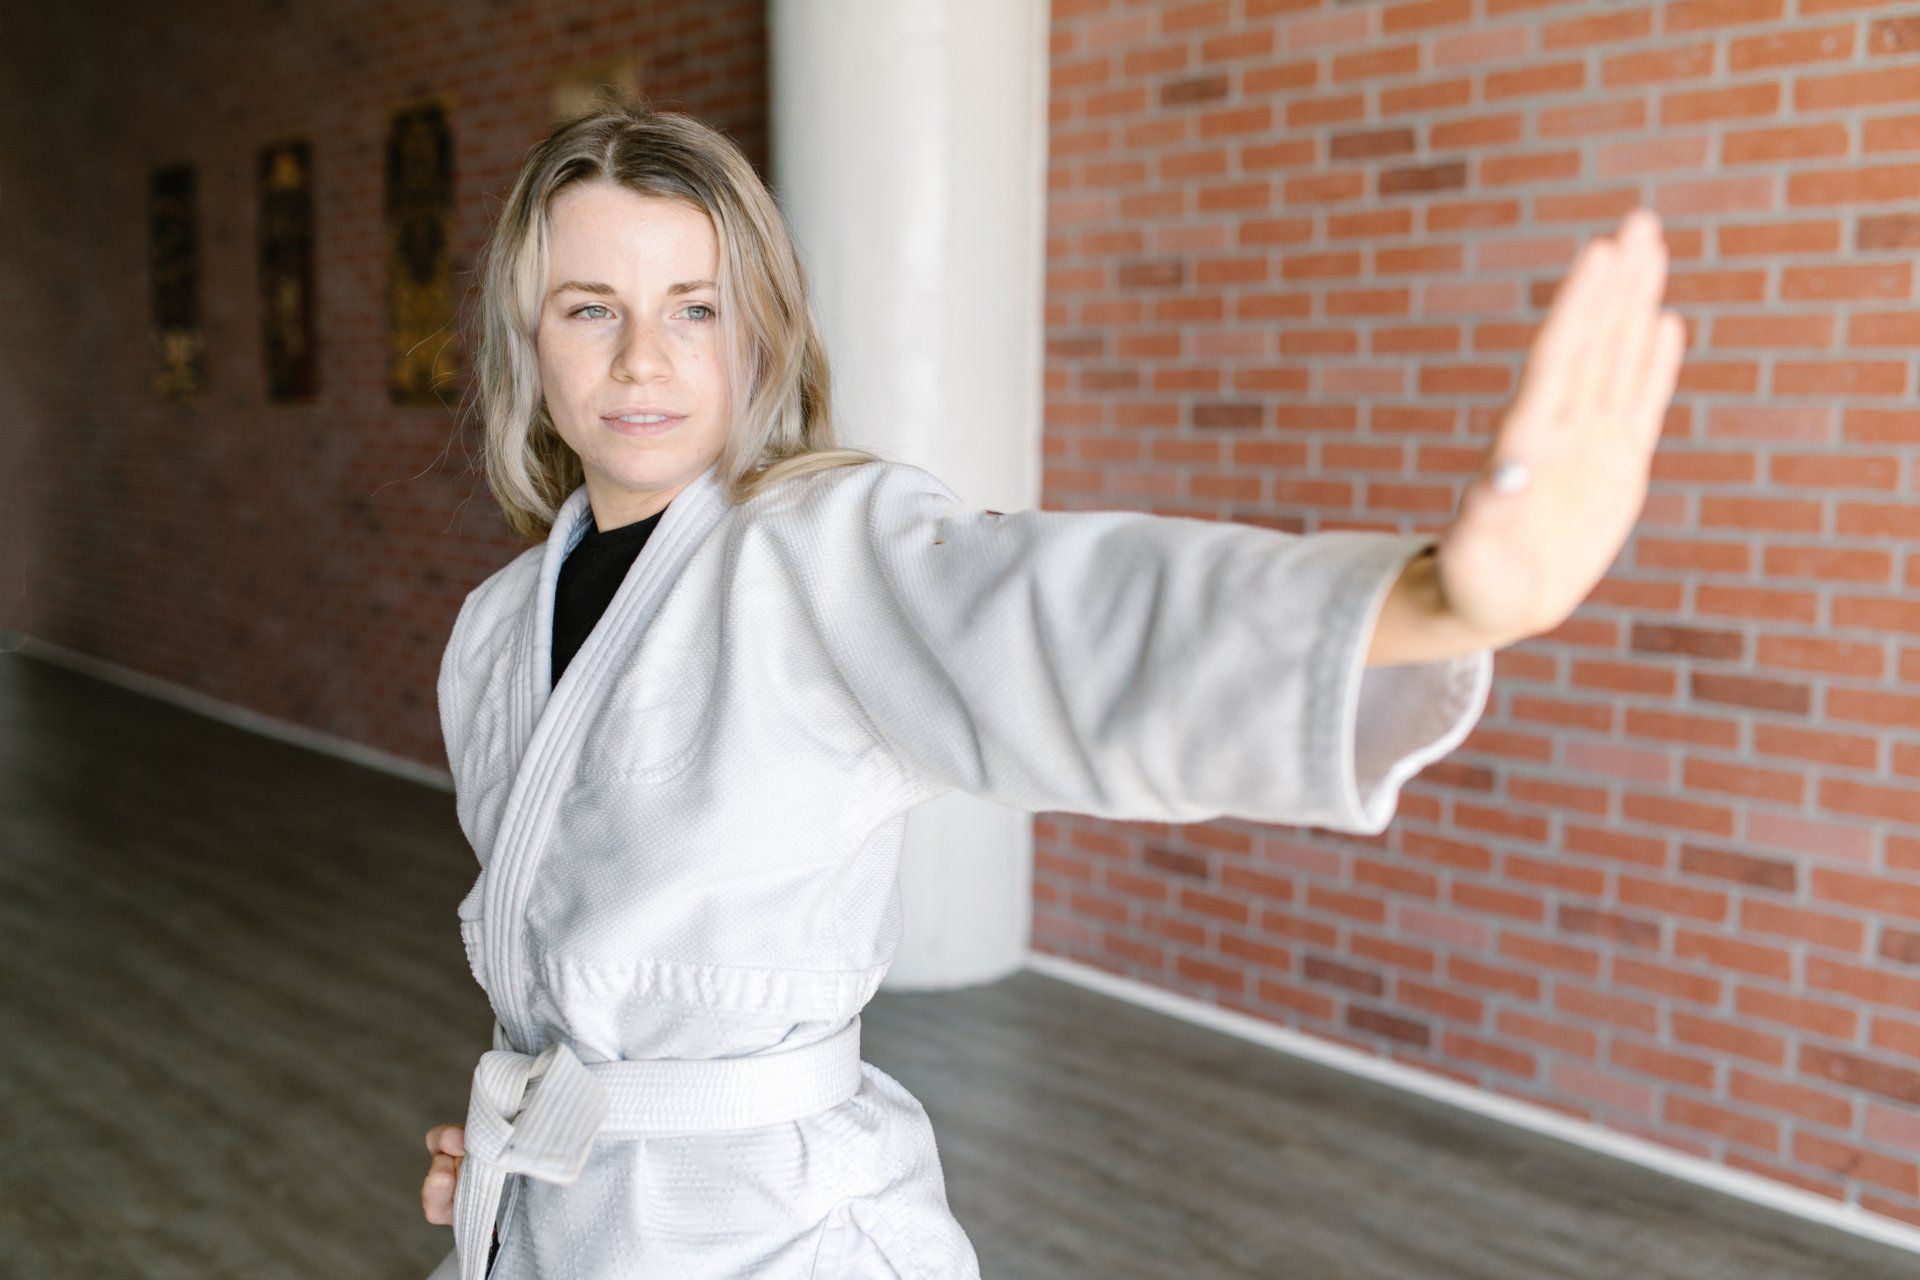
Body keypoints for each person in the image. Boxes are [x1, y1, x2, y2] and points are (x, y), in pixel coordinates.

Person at [418, 98, 1684, 1280]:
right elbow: (572, 956)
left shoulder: (818, 553)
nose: (643, 357)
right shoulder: (491, 633)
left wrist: (1438, 601)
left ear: (758, 328)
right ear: (528, 338)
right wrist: (536, 1139)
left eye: (693, 307)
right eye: (591, 308)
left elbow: (1059, 615)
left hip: (773, 1228)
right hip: (565, 1213)